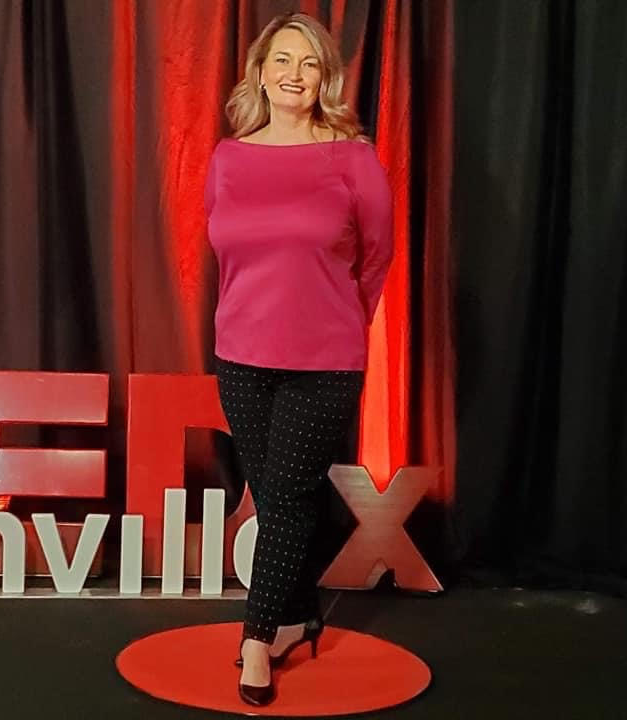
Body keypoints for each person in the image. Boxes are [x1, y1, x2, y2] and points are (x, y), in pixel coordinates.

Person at [205, 12, 393, 707]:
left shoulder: (353, 159)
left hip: (325, 360)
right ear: (259, 72)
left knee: (284, 500)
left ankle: (257, 640)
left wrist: (337, 322)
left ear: (325, 80)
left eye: (309, 63)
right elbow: (225, 254)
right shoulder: (228, 157)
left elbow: (376, 258)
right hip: (240, 355)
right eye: (282, 60)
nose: (293, 74)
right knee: (278, 496)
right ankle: (300, 614)